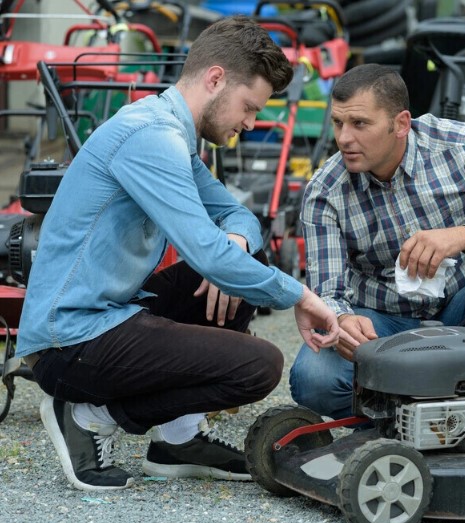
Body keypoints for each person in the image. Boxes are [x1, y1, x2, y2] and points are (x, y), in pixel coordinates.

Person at [15, 16, 340, 492]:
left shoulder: (174, 136)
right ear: (215, 79)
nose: (250, 124)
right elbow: (206, 255)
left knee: (244, 272)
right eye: (249, 107)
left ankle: (177, 442)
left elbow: (240, 217)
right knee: (261, 365)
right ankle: (89, 413)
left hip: (112, 313)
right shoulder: (150, 137)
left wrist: (236, 246)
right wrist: (301, 296)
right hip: (69, 340)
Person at [289, 63, 465, 419]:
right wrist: (343, 322)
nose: (344, 138)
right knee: (313, 378)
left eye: (360, 124)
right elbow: (328, 294)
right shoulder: (325, 191)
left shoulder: (459, 145)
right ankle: (399, 424)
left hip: (464, 310)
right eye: (338, 123)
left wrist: (463, 236)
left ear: (400, 124)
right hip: (383, 324)